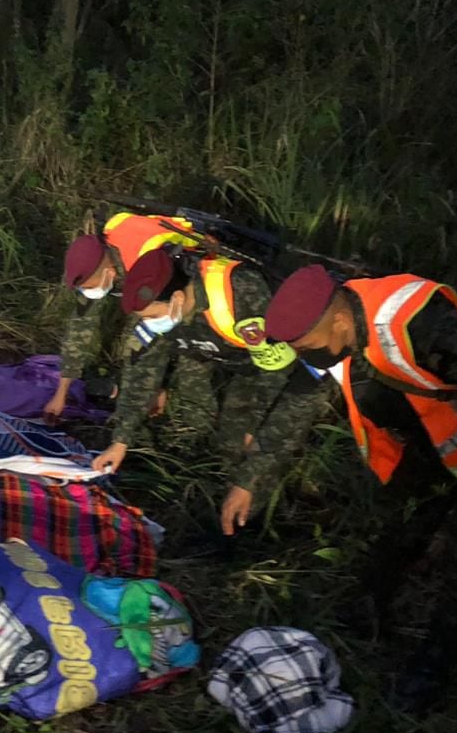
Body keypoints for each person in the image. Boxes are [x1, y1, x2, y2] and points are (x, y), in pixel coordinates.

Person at [263, 264, 457, 712]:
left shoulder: (413, 321)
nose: (306, 355)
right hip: (446, 438)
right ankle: (369, 608)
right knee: (403, 519)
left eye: (307, 345)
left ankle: (434, 665)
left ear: (339, 321)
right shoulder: (346, 325)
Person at [91, 247, 328, 536]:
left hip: (289, 371)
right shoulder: (158, 310)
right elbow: (141, 371)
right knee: (230, 448)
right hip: (242, 363)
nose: (150, 323)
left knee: (256, 447)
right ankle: (232, 512)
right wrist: (121, 440)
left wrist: (257, 424)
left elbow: (278, 371)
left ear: (178, 299)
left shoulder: (241, 293)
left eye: (153, 316)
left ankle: (261, 526)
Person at [42, 213, 204, 422]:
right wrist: (61, 394)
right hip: (153, 293)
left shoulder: (145, 266)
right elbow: (80, 327)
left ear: (109, 273)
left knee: (141, 345)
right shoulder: (97, 265)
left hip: (192, 289)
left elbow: (158, 331)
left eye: (91, 287)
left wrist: (157, 386)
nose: (90, 292)